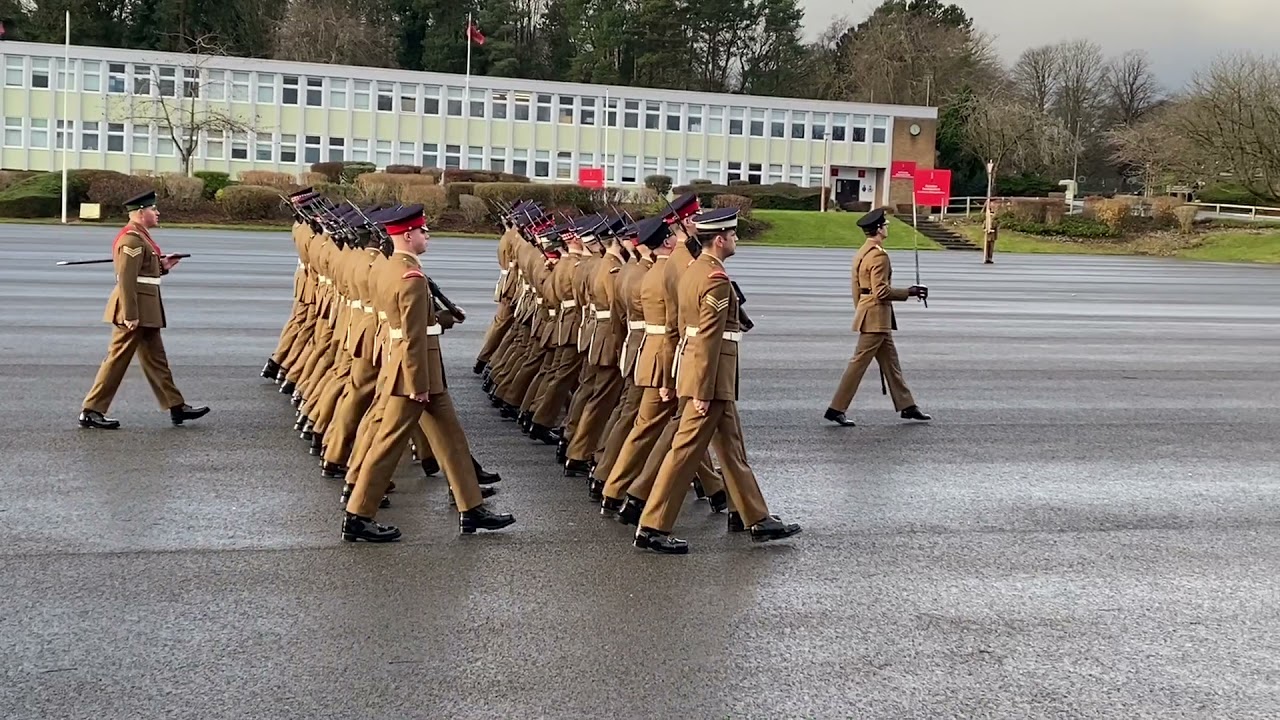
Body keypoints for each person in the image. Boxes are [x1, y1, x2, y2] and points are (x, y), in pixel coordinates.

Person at [341, 204, 514, 543]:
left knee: (451, 438)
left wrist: (444, 318)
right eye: (423, 231)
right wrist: (418, 385)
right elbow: (413, 336)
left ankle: (471, 507)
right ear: (407, 235)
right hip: (414, 374)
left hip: (420, 370)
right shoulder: (411, 279)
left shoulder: (389, 269)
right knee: (388, 442)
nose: (427, 235)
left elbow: (412, 324)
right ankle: (358, 515)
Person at [633, 208, 800, 554]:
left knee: (732, 448)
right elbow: (708, 337)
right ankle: (651, 527)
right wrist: (703, 391)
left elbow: (678, 328)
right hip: (707, 378)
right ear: (720, 239)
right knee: (684, 453)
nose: (736, 240)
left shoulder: (693, 271)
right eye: (734, 235)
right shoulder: (715, 279)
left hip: (702, 373)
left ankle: (756, 517)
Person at [79, 190, 209, 429]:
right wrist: (130, 314)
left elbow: (144, 272)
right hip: (134, 310)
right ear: (141, 213)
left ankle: (176, 406)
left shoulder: (141, 236)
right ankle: (91, 410)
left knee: (157, 360)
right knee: (117, 360)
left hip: (146, 309)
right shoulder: (131, 240)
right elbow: (126, 280)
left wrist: (164, 266)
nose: (157, 213)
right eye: (153, 209)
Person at [824, 208, 932, 427]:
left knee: (891, 364)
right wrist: (909, 292)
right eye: (885, 225)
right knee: (858, 365)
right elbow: (881, 291)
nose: (887, 228)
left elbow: (858, 288)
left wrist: (861, 311)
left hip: (872, 317)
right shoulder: (879, 256)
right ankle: (836, 408)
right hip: (876, 319)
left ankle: (907, 406)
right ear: (879, 229)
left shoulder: (863, 252)